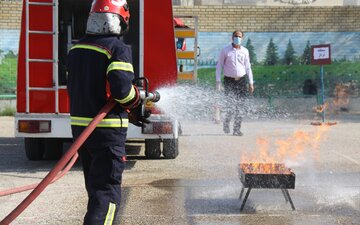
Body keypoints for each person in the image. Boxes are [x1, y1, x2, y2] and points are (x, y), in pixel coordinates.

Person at [67, 0, 146, 224]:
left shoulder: (77, 47)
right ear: (121, 19)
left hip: (82, 131)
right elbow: (122, 91)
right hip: (107, 133)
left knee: (95, 191)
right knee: (107, 194)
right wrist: (137, 99)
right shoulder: (117, 48)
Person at [216, 30, 254, 136]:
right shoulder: (225, 50)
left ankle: (237, 129)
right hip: (229, 81)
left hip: (241, 81)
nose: (238, 38)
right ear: (232, 37)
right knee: (230, 104)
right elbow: (219, 66)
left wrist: (251, 83)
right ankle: (226, 123)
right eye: (236, 36)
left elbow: (248, 67)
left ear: (242, 38)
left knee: (240, 105)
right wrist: (218, 81)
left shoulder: (245, 51)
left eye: (240, 36)